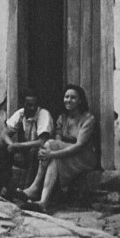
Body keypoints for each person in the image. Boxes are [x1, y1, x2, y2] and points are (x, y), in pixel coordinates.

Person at [21, 84, 97, 213]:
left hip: (84, 157)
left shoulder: (88, 119)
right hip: (67, 154)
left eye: (73, 97)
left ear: (80, 101)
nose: (68, 100)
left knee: (50, 146)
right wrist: (53, 155)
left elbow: (79, 146)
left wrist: (52, 154)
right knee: (53, 154)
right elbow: (58, 141)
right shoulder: (62, 118)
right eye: (66, 97)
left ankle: (35, 187)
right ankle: (43, 202)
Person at [0, 92, 54, 198]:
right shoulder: (20, 114)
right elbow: (4, 133)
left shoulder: (43, 114)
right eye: (29, 105)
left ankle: (27, 193)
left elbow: (42, 141)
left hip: (42, 156)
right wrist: (11, 145)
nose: (32, 108)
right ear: (23, 104)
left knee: (36, 151)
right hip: (24, 153)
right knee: (2, 147)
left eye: (35, 105)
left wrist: (18, 146)